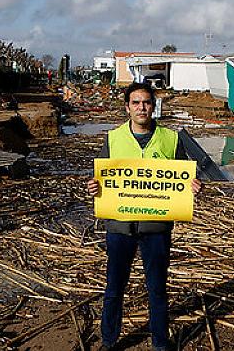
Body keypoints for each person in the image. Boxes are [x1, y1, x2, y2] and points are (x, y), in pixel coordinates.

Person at [86, 82, 202, 350]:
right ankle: (109, 340)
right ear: (127, 107)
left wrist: (193, 186)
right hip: (119, 227)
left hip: (156, 227)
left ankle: (160, 343)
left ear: (154, 106)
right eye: (136, 103)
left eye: (147, 102)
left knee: (157, 288)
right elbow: (101, 178)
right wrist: (93, 186)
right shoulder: (113, 138)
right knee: (114, 288)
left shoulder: (171, 139)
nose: (142, 107)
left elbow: (184, 178)